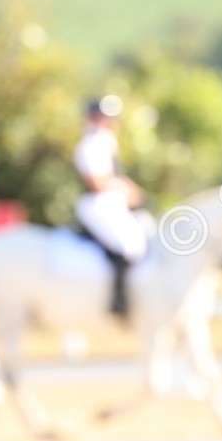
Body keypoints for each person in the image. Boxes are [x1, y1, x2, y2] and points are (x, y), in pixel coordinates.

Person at [73, 96, 148, 318]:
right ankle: (119, 300)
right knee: (126, 247)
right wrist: (124, 189)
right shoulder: (90, 145)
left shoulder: (107, 143)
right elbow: (97, 183)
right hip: (98, 205)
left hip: (114, 204)